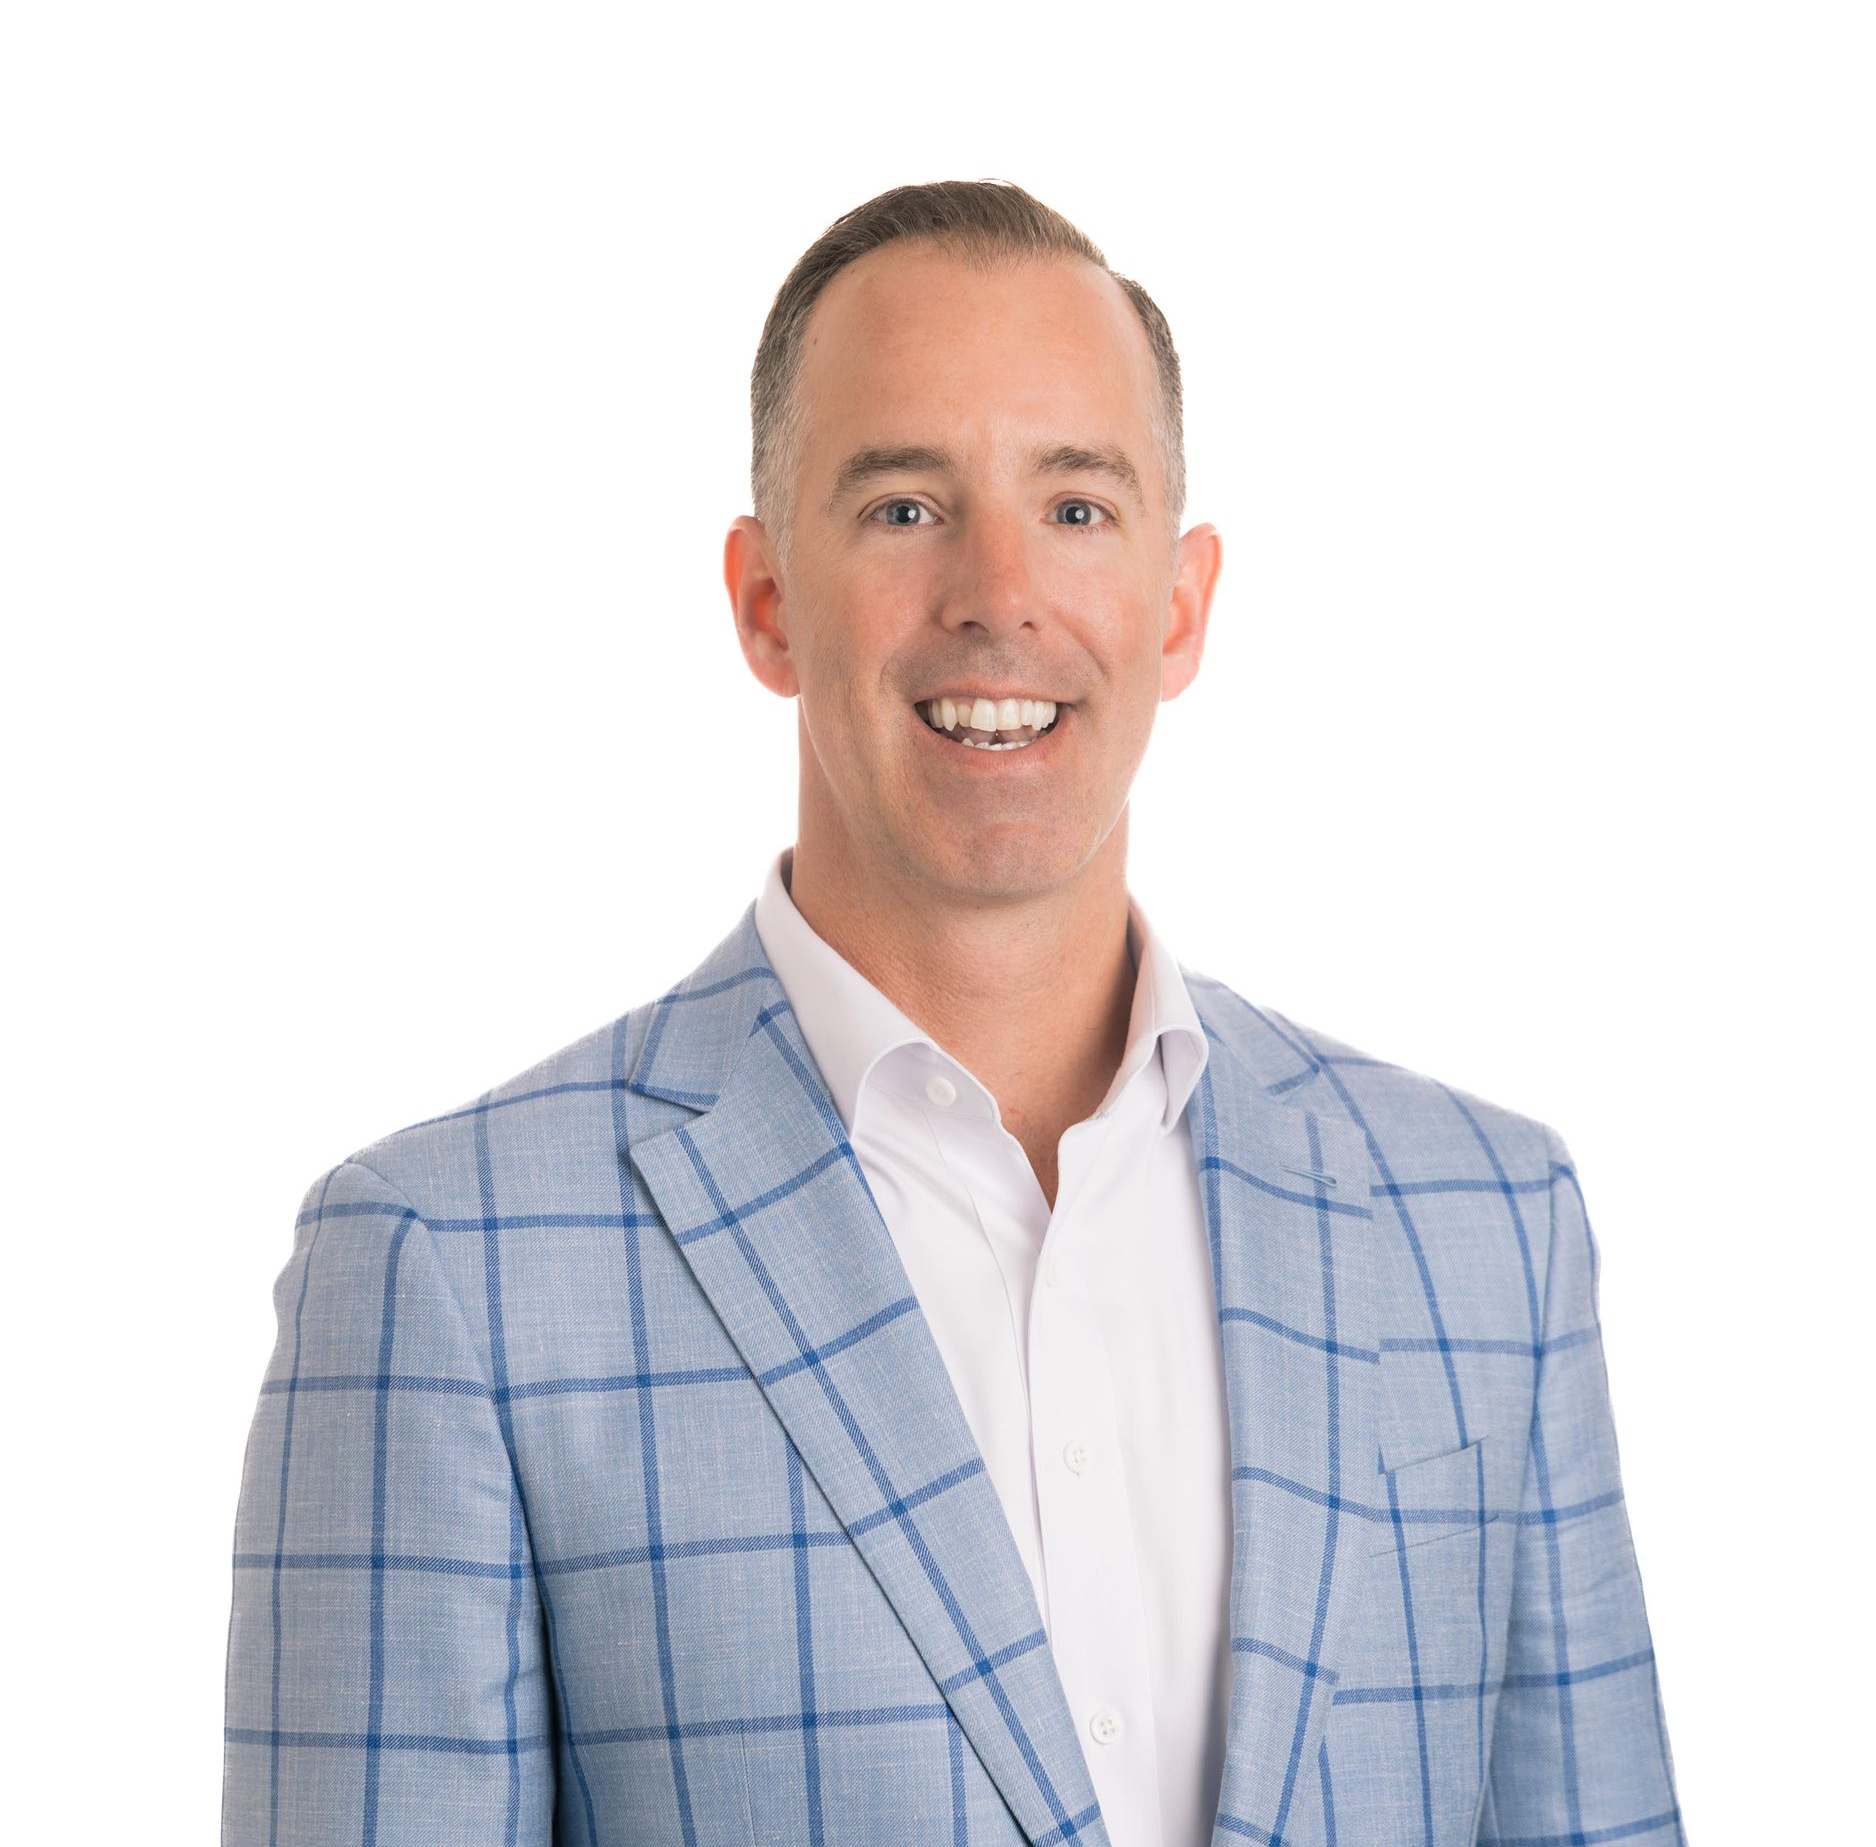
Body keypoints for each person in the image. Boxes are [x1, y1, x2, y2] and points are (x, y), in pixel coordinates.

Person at [221, 178, 1685, 1847]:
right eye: (906, 508)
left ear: (1181, 602)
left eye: (1077, 507)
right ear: (766, 599)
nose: (1002, 591)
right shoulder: (450, 1270)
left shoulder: (1484, 1230)